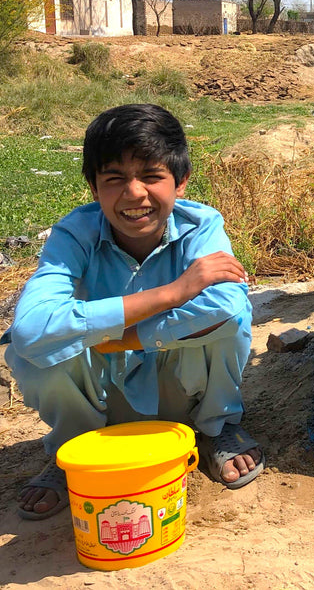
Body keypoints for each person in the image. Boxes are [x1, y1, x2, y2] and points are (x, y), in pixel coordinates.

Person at [2, 104, 263, 520]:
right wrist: (172, 293)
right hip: (104, 400)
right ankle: (76, 448)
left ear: (180, 183)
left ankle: (216, 428)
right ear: (93, 188)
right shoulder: (75, 234)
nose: (134, 193)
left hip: (180, 391)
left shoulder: (201, 225)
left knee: (230, 322)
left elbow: (228, 305)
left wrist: (131, 337)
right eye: (115, 179)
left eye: (152, 176)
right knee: (27, 352)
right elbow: (30, 329)